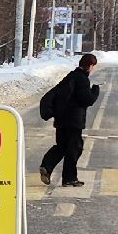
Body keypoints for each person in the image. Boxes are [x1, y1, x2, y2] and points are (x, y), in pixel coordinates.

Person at [39, 52, 101, 188]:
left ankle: (46, 166)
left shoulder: (70, 76)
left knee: (62, 146)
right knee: (74, 149)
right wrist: (95, 90)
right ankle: (69, 178)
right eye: (93, 66)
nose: (93, 68)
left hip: (61, 119)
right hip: (74, 121)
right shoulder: (82, 79)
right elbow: (87, 100)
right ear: (90, 66)